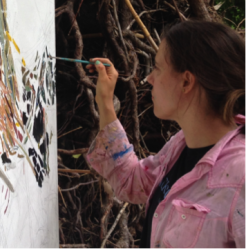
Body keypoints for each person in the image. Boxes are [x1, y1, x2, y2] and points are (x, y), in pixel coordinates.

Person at [84, 20, 246, 248]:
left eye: (158, 68)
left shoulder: (240, 175)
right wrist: (105, 101)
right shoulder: (181, 145)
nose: (149, 78)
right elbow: (131, 181)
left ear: (186, 81)